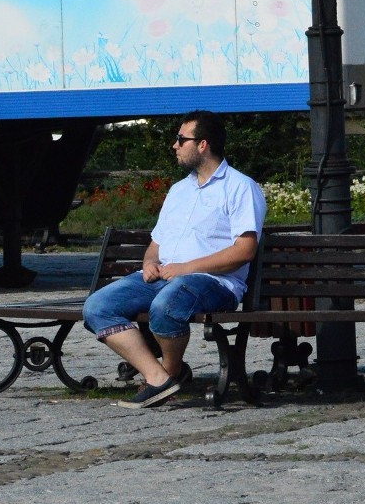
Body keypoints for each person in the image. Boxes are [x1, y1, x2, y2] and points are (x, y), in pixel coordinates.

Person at [82, 109, 266, 409]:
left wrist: (186, 268)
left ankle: (170, 371)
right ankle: (159, 378)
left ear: (202, 144)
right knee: (97, 306)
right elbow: (157, 243)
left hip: (213, 282)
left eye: (182, 139)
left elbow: (244, 251)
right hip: (165, 277)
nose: (175, 145)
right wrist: (149, 262)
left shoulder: (240, 187)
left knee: (167, 304)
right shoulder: (179, 190)